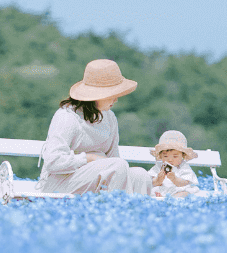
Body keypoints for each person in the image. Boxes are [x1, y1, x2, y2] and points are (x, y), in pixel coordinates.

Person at [39, 59, 151, 195]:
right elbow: (53, 161)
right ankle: (113, 213)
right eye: (112, 94)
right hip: (61, 182)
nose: (116, 99)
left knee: (140, 175)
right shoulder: (67, 116)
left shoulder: (110, 117)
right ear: (96, 95)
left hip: (94, 180)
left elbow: (114, 159)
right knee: (118, 165)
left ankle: (136, 214)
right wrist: (89, 158)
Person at [147, 130, 202, 199]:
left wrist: (174, 179)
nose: (170, 160)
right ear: (160, 156)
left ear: (183, 156)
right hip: (162, 189)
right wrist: (158, 180)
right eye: (165, 156)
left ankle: (171, 198)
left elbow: (185, 182)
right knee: (150, 190)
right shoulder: (159, 166)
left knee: (185, 193)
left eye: (175, 156)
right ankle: (161, 196)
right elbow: (151, 182)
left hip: (177, 189)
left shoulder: (183, 167)